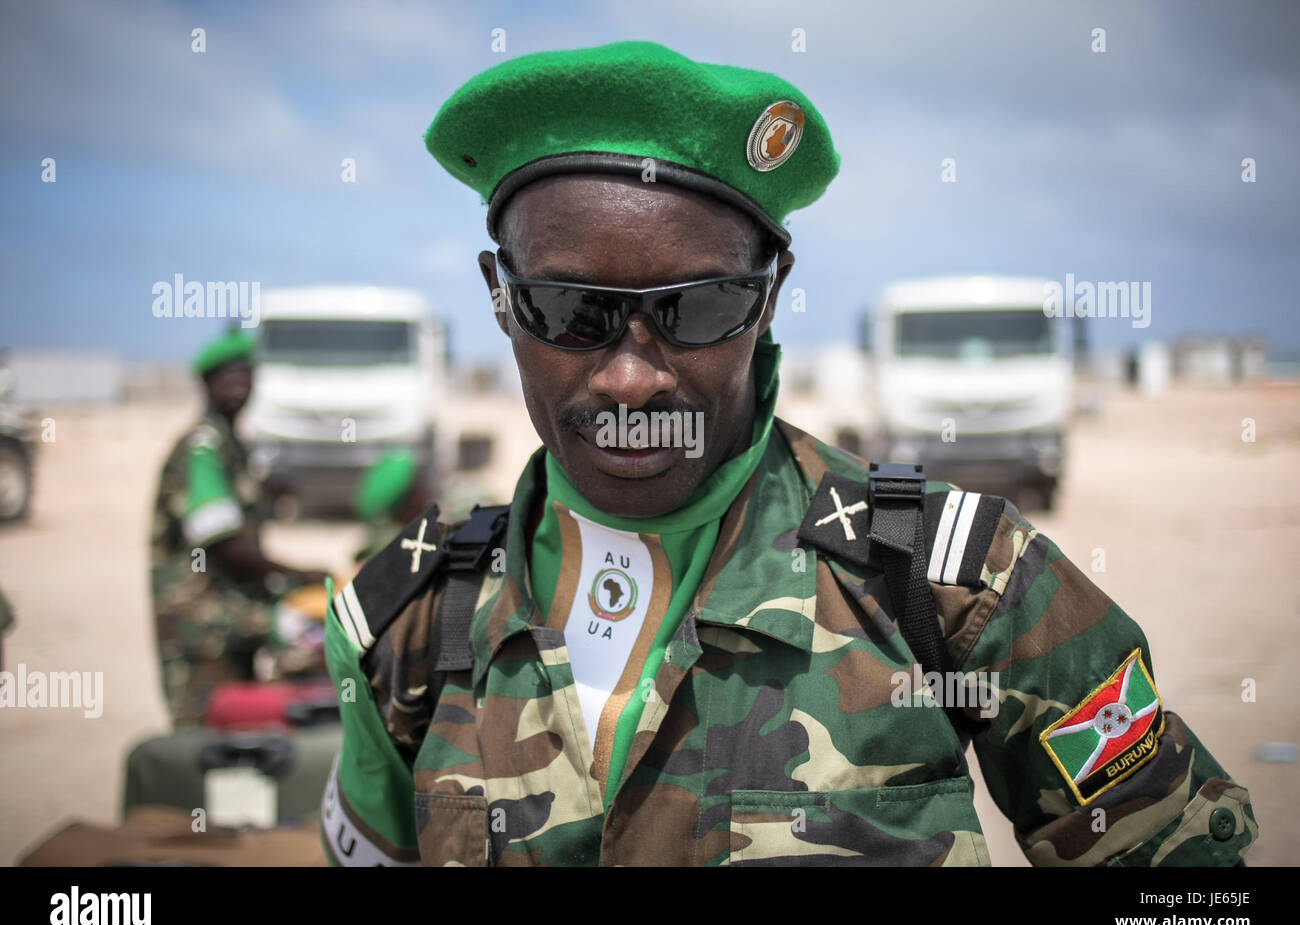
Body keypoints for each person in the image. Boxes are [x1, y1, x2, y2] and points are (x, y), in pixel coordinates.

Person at [320, 41, 1256, 866]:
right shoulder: (407, 619)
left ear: (769, 299)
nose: (632, 380)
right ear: (499, 292)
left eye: (698, 309)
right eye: (572, 313)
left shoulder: (955, 587)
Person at [151, 329, 329, 726]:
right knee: (205, 737)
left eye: (245, 377)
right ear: (206, 384)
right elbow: (226, 544)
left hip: (233, 622)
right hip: (202, 626)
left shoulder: (233, 445)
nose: (238, 387)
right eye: (226, 378)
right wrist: (301, 575)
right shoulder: (204, 449)